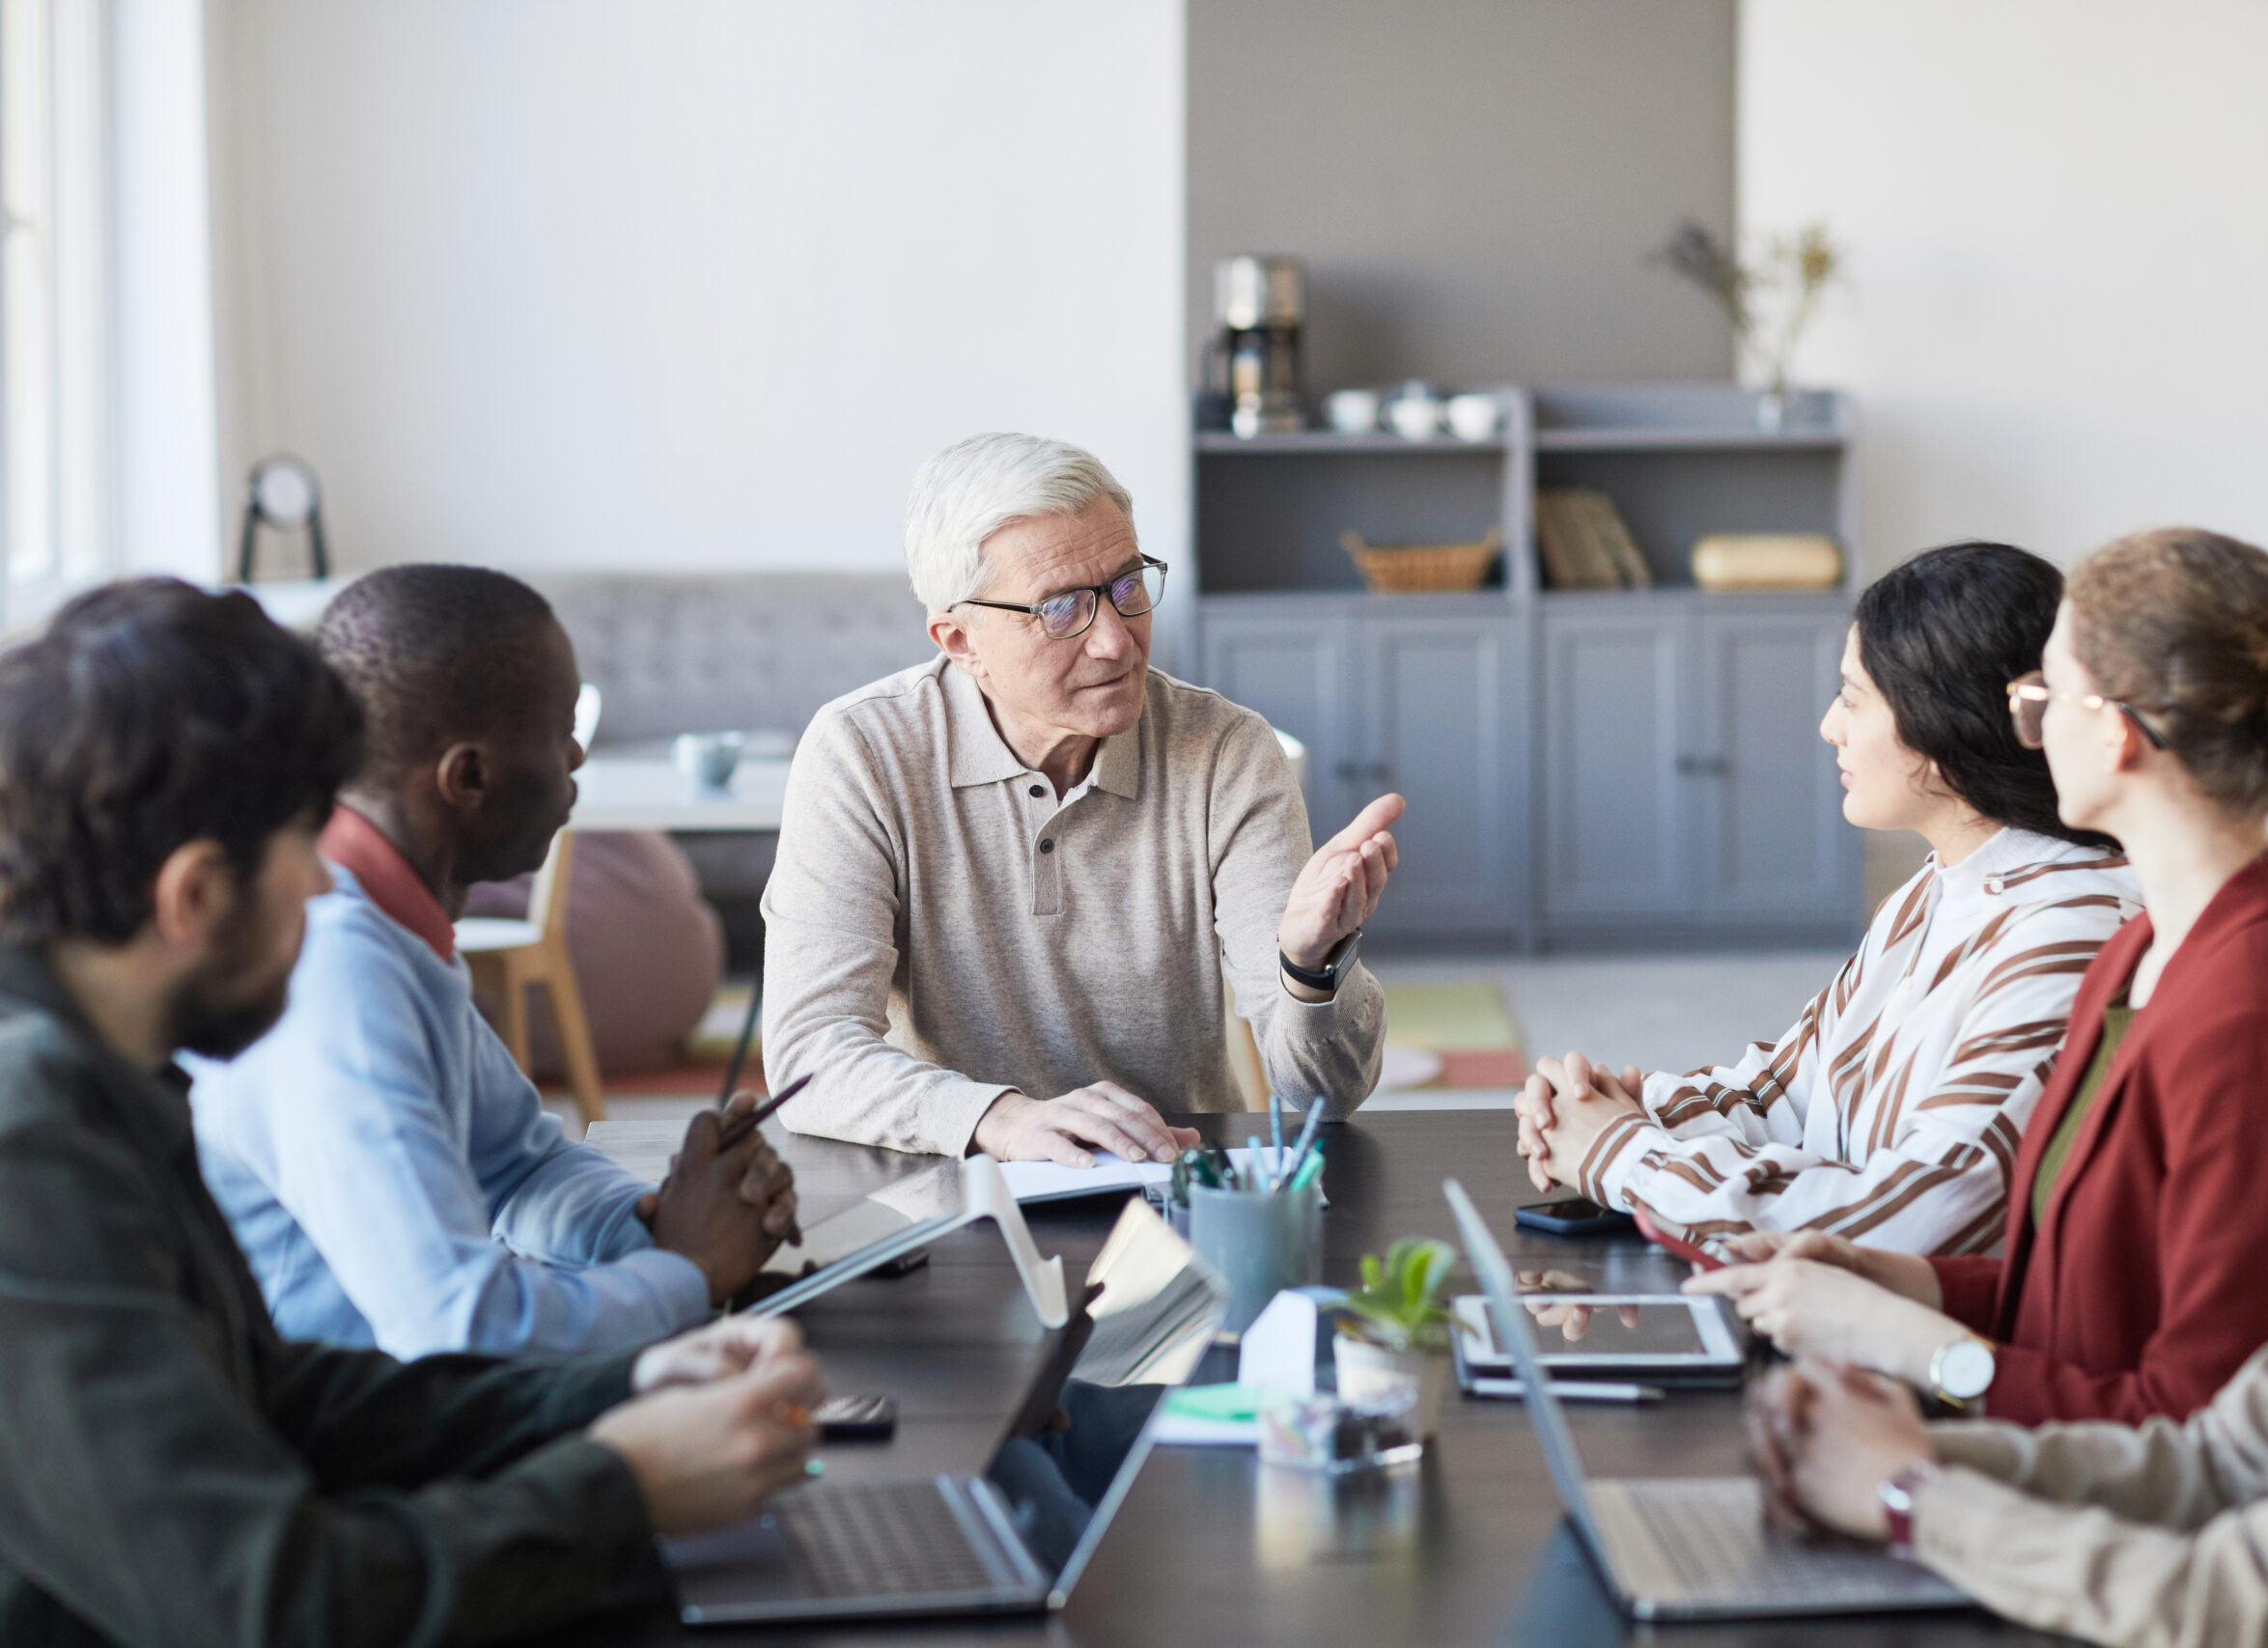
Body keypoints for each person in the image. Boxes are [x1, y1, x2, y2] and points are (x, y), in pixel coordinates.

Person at [0, 579, 823, 1646]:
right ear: (193, 897)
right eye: (304, 846)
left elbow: (279, 1394)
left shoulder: (108, 1071)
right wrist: (624, 1483)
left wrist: (622, 1384)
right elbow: (271, 1606)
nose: (320, 890)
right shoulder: (29, 1152)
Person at [1750, 663, 2268, 1647]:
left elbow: (2242, 1598)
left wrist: (1912, 1493)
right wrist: (1908, 1456)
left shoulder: (2258, 1010)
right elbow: (2222, 1450)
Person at [1690, 528, 2268, 1425]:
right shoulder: (2140, 951)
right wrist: (1886, 1276)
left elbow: (2193, 1427)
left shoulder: (2256, 1016)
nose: (2021, 725)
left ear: (2115, 733)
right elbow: (2077, 1299)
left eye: (2041, 694)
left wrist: (1910, 1345)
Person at [189, 566, 798, 1359]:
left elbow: (517, 1167)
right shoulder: (338, 972)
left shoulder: (395, 931)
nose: (577, 755)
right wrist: (688, 1270)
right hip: (351, 1439)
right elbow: (454, 1324)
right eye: (558, 730)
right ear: (468, 776)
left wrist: (660, 1216)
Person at [762, 432, 1397, 1163]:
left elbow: (1327, 1095)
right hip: (954, 1179)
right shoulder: (863, 753)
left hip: (1173, 1182)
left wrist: (1311, 968)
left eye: (1127, 585)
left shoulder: (1225, 751)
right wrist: (1002, 1118)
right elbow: (809, 1057)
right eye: (1062, 609)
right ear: (960, 640)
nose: (1116, 643)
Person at [1516, 543, 2141, 1254]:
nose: (1828, 726)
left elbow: (1910, 1222)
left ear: (1941, 724)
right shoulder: (1933, 891)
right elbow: (1782, 1096)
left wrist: (1624, 1155)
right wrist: (1609, 1111)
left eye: (1851, 697)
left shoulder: (2071, 933)